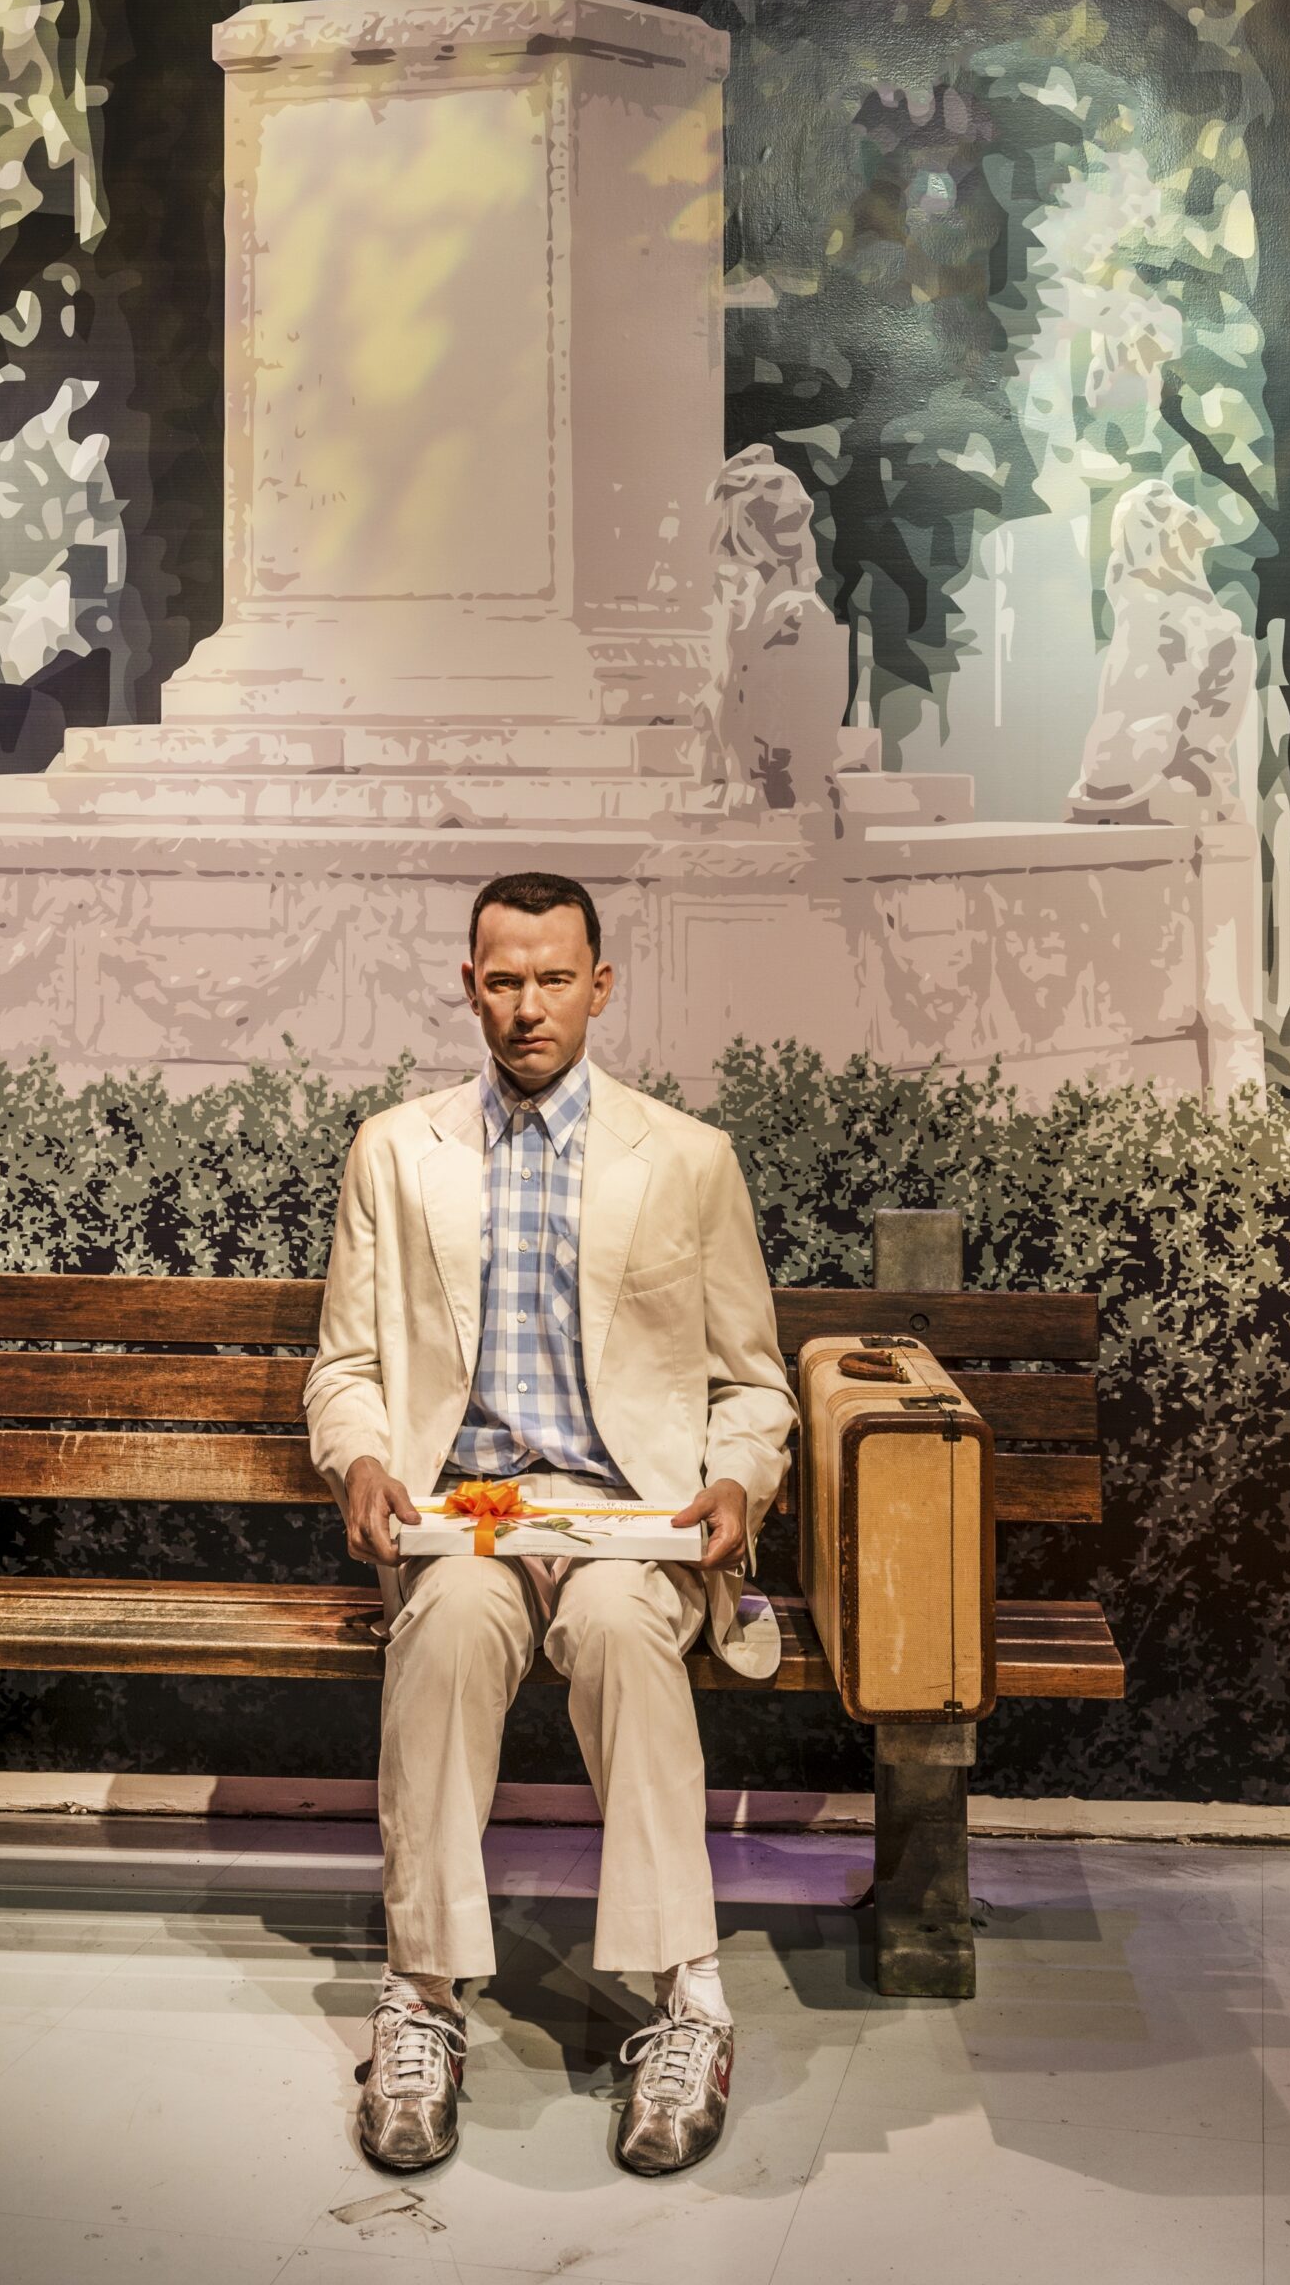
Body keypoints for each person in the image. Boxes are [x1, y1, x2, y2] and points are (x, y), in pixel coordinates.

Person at [304, 869, 795, 2178]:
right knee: (455, 1628)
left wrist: (740, 1486)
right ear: (470, 984)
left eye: (554, 979)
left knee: (630, 1636)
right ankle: (422, 1997)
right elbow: (345, 1367)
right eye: (503, 980)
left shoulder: (686, 1161)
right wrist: (358, 1459)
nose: (529, 1007)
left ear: (601, 986)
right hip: (465, 1513)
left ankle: (687, 2001)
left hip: (623, 1516)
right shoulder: (396, 1152)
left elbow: (754, 1385)